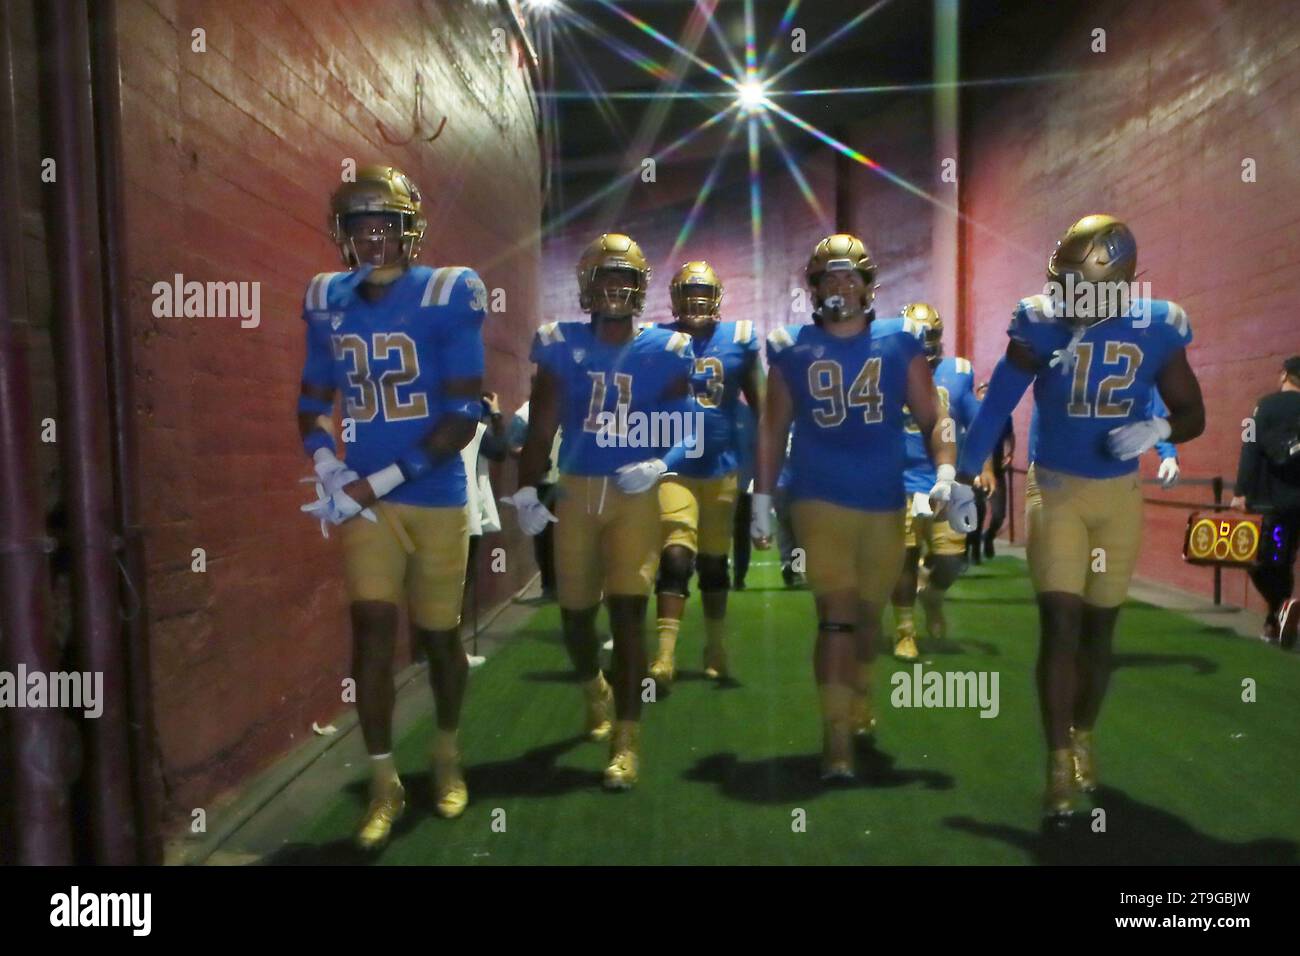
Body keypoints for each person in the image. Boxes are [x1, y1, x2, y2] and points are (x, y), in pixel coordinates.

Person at [954, 214, 1204, 821]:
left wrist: (1161, 429)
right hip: (1057, 488)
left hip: (1118, 496)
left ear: (1119, 283)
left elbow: (1193, 412)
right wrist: (961, 475)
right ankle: (1058, 758)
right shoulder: (1039, 321)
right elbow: (997, 407)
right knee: (1060, 622)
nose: (1068, 296)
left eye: (1082, 285)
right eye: (1063, 281)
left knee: (1099, 632)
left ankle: (1085, 732)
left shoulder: (1158, 325)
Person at [296, 165, 487, 849]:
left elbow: (465, 412)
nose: (372, 236)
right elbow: (313, 403)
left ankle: (445, 751)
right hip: (368, 508)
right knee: (372, 633)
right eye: (358, 224)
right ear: (340, 233)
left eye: (386, 223)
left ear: (411, 229)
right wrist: (326, 465)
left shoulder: (447, 290)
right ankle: (383, 782)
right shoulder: (326, 298)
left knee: (438, 640)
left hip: (432, 496)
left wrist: (369, 483)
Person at [753, 233, 973, 781]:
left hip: (883, 499)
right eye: (830, 276)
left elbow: (932, 417)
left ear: (870, 287)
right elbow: (772, 427)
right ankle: (834, 742)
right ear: (814, 287)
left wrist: (946, 467)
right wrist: (760, 495)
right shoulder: (791, 346)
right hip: (817, 496)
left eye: (851, 276)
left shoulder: (900, 343)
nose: (840, 286)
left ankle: (861, 697)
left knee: (869, 620)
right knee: (836, 616)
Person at [502, 233, 695, 790]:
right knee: (575, 616)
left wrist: (662, 463)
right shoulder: (559, 343)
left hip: (635, 493)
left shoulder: (666, 348)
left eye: (625, 280)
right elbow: (540, 427)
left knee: (629, 616)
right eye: (605, 279)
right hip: (578, 490)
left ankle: (626, 740)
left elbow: (688, 423)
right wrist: (527, 489)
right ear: (587, 286)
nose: (615, 289)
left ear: (640, 288)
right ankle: (595, 690)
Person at [648, 261, 763, 687]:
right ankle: (663, 657)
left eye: (703, 295)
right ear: (674, 299)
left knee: (715, 566)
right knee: (676, 556)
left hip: (721, 469)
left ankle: (715, 645)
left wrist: (766, 475)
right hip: (672, 468)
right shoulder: (654, 340)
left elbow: (764, 406)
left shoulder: (740, 341)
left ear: (716, 300)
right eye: (688, 295)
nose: (695, 304)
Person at [877, 303, 985, 658]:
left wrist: (984, 466)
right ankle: (905, 631)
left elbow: (979, 421)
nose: (925, 346)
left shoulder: (956, 374)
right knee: (904, 560)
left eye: (931, 338)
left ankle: (934, 596)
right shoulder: (882, 372)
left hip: (944, 479)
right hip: (899, 480)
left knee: (951, 561)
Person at [1230, 355, 1300, 644]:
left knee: (1263, 559)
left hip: (1273, 505)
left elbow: (1250, 449)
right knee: (1283, 559)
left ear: (1284, 375)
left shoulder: (1265, 407)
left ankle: (1279, 609)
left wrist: (1240, 492)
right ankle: (1278, 617)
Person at [507, 387, 560, 600]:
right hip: (543, 483)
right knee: (544, 536)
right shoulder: (524, 414)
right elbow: (513, 446)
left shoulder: (572, 407)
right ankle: (550, 586)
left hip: (572, 480)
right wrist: (534, 455)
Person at [731, 401, 757, 590]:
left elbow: (755, 448)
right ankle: (715, 575)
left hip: (742, 483)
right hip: (713, 481)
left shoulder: (747, 414)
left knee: (741, 532)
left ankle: (739, 576)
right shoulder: (704, 410)